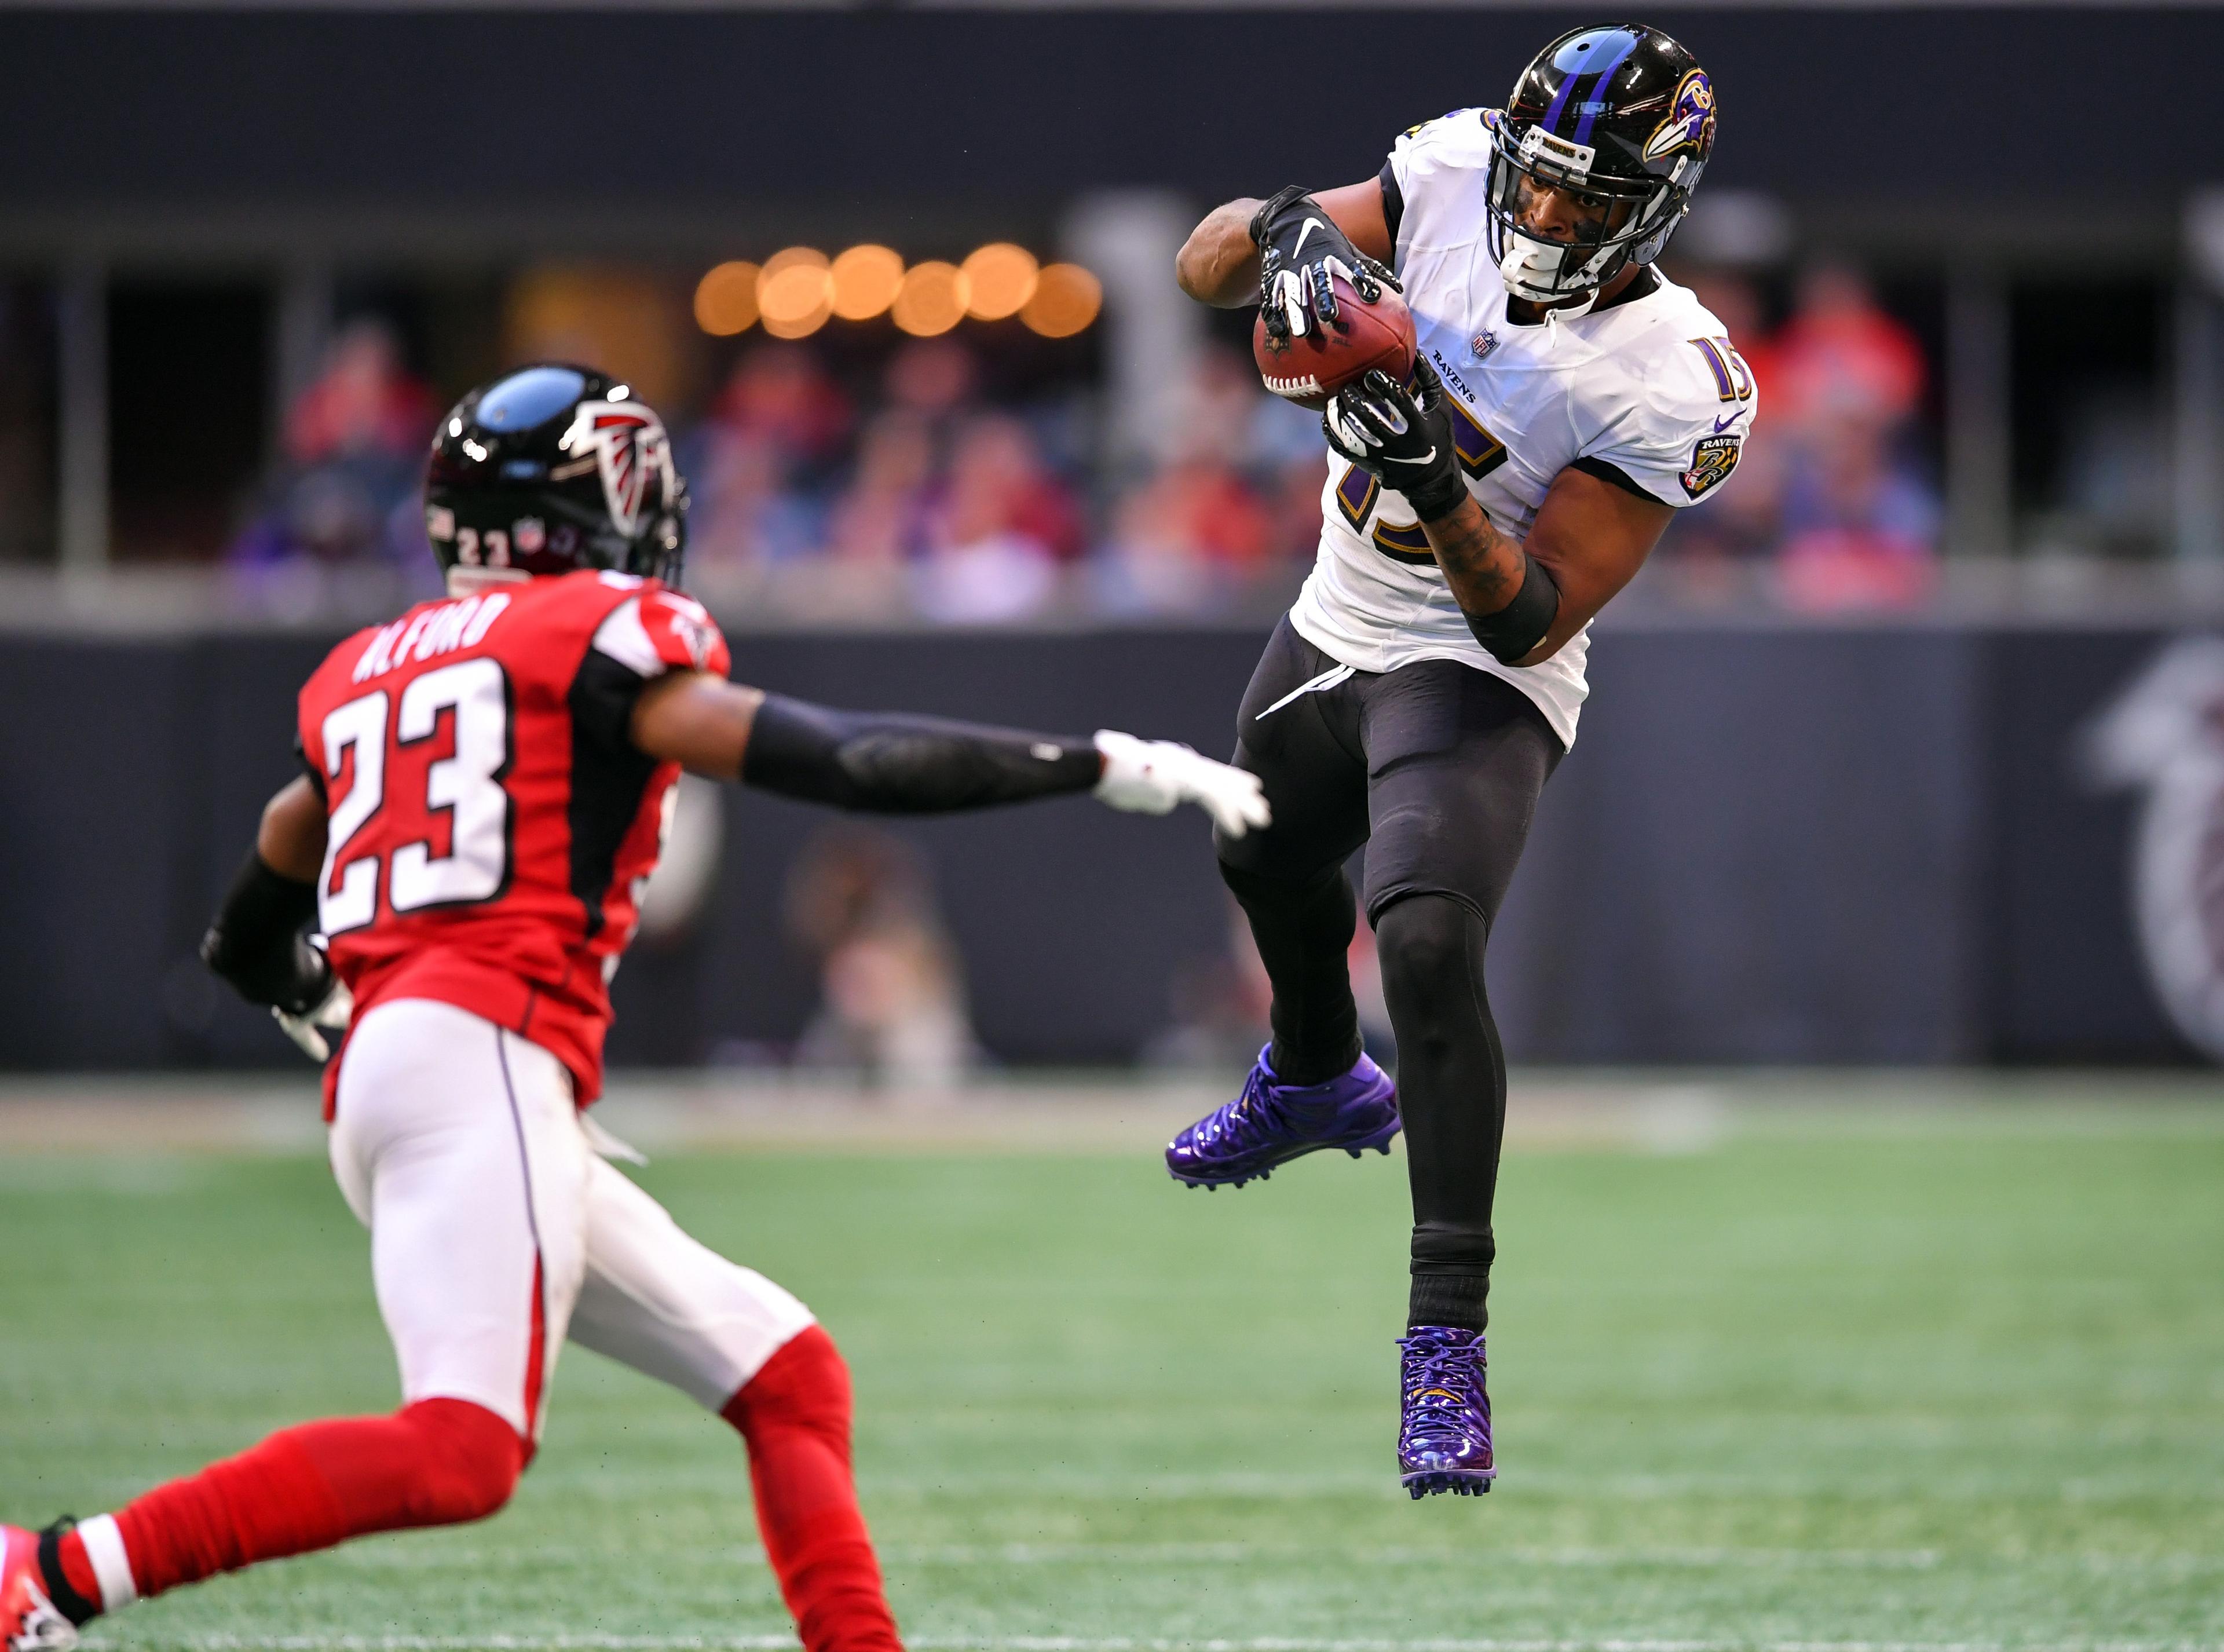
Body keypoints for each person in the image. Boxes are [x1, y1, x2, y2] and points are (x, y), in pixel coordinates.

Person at [0, 363, 1267, 1652]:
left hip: (426, 1065)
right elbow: (844, 760)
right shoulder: (590, 638)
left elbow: (247, 923)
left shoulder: (369, 670)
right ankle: (50, 1573)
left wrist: (326, 994)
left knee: (787, 1375)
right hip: (476, 1055)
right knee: (461, 1449)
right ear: (582, 507)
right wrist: (1095, 763)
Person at [1165, 24, 1755, 1497]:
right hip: (1333, 620)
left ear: (1659, 202)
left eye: (1585, 196)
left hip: (1481, 667)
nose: (1545, 215)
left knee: (1425, 938)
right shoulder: (1446, 174)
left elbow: (1532, 611)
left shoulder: (1671, 373)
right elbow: (1201, 261)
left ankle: (1446, 1342)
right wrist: (1287, 240)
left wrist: (1428, 456)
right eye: (1539, 183)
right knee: (1253, 843)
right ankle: (1311, 1075)